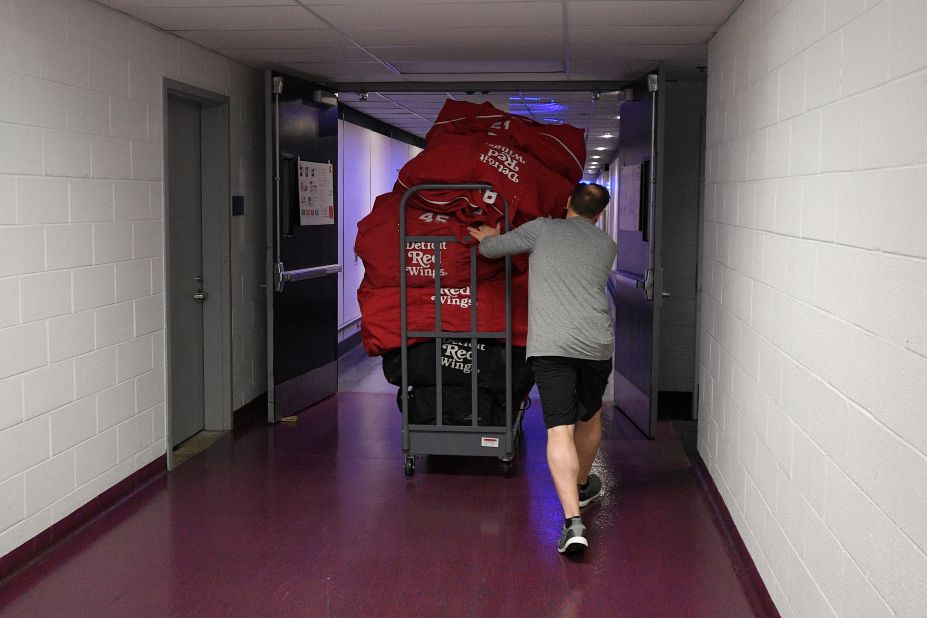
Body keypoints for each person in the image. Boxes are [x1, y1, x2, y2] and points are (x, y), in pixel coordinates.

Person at [467, 183, 617, 555]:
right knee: (591, 416)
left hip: (553, 346)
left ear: (567, 203)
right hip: (596, 344)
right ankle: (582, 486)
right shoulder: (606, 245)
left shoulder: (543, 228)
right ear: (599, 215)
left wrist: (491, 236)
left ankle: (572, 523)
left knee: (559, 429)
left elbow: (490, 249)